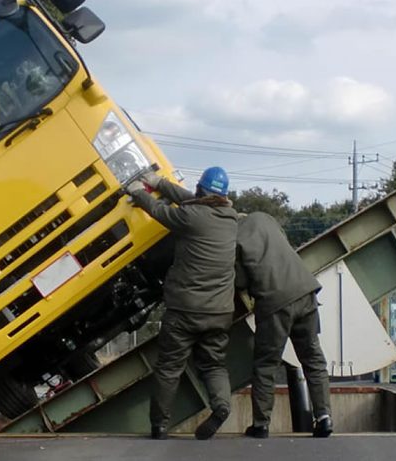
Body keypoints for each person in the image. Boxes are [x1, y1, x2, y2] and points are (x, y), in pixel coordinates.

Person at [125, 167, 238, 440]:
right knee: (213, 366)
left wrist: (139, 191)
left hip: (185, 310)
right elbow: (193, 200)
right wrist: (159, 182)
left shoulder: (190, 217)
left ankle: (160, 426)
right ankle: (221, 406)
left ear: (201, 189)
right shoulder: (230, 219)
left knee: (169, 367)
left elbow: (160, 211)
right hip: (220, 311)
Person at [235, 211, 332, 439]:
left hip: (275, 302)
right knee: (313, 358)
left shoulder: (234, 238)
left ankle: (261, 424)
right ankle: (324, 418)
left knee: (266, 364)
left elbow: (239, 280)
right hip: (306, 292)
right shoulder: (266, 218)